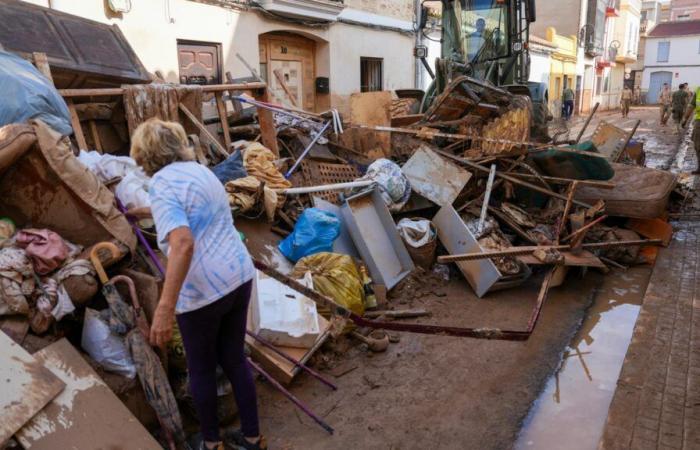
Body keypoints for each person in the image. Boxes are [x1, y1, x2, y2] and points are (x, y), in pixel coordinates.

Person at [129, 119, 265, 450]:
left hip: (203, 292)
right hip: (238, 275)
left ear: (144, 154)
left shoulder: (161, 184)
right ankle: (252, 439)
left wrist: (165, 306)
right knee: (233, 357)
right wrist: (146, 211)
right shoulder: (200, 171)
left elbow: (183, 243)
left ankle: (211, 444)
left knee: (201, 369)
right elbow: (192, 207)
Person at [685, 87, 700, 173]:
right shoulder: (698, 90)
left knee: (698, 145)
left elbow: (691, 106)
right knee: (698, 145)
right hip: (699, 121)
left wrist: (685, 120)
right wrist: (685, 119)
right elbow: (691, 106)